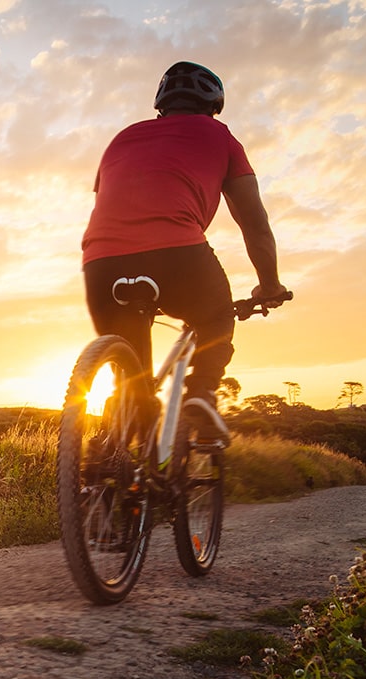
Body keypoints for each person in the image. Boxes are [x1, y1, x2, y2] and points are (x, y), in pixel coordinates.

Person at [80, 61, 286, 441]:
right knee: (218, 316)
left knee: (134, 387)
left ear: (161, 104)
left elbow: (107, 200)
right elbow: (254, 224)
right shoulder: (222, 138)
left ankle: (112, 475)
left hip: (101, 263)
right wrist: (269, 285)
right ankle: (202, 394)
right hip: (177, 254)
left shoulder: (122, 139)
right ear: (213, 105)